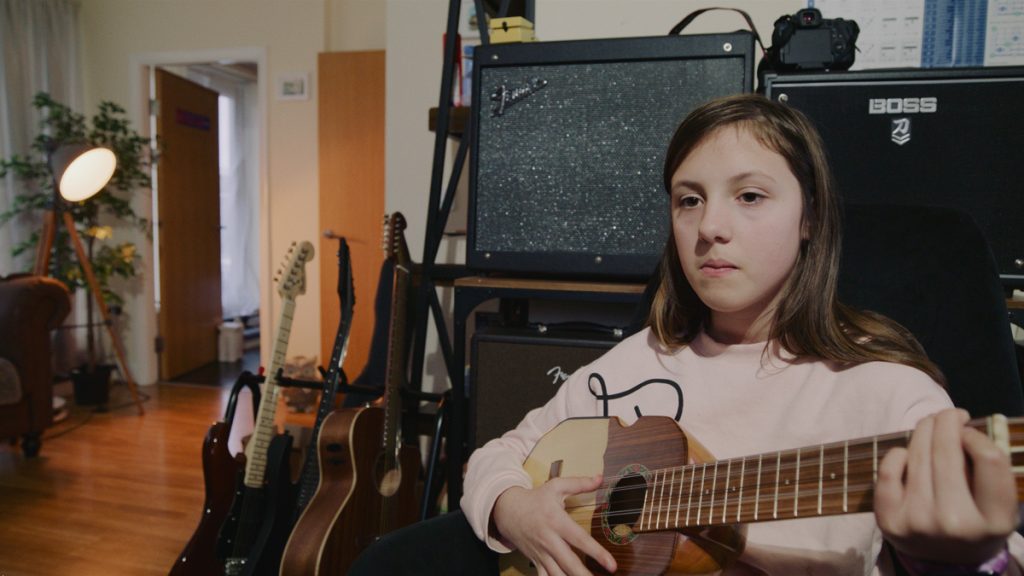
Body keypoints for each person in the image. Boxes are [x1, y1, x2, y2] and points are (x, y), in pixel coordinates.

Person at [351, 94, 1021, 575]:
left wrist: (952, 558)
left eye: (750, 196)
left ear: (810, 217)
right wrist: (515, 510)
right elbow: (499, 453)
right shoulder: (630, 364)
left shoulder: (892, 395)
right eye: (688, 199)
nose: (710, 228)